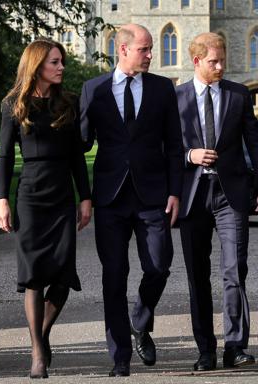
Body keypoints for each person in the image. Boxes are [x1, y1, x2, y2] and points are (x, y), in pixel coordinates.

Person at [79, 24, 183, 377]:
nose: (151, 55)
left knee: (158, 265)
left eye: (152, 48)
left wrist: (174, 191)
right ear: (123, 50)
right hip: (109, 197)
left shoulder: (162, 89)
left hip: (152, 195)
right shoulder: (93, 90)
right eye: (145, 49)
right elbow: (79, 145)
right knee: (114, 276)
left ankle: (141, 319)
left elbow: (174, 144)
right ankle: (120, 356)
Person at [175, 33, 258, 371]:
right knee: (197, 276)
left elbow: (256, 145)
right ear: (197, 61)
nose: (220, 66)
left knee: (235, 270)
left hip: (230, 195)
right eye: (213, 61)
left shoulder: (238, 94)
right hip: (192, 197)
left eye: (222, 60)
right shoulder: (177, 98)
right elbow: (163, 150)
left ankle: (235, 346)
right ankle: (205, 350)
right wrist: (190, 154)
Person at [0, 39, 92, 379]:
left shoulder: (68, 102)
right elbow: (5, 155)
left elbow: (77, 156)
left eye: (61, 61)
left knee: (64, 275)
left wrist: (85, 198)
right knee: (34, 276)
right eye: (55, 61)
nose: (61, 67)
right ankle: (38, 351)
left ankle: (43, 333)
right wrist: (2, 200)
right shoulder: (14, 104)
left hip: (62, 195)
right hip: (31, 197)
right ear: (37, 65)